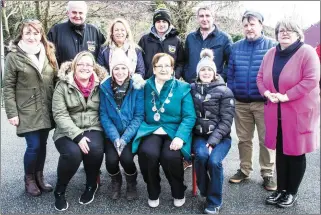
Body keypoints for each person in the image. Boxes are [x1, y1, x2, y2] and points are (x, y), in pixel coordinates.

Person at [257, 19, 320, 208]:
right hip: (276, 112)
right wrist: (266, 93)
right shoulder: (270, 53)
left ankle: (291, 192)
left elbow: (311, 79)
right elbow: (260, 77)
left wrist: (286, 96)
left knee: (296, 152)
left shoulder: (307, 52)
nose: (284, 33)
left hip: (298, 112)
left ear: (298, 33)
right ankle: (280, 189)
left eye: (289, 30)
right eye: (281, 30)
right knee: (282, 152)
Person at [132, 53, 196, 208]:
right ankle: (153, 190)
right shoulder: (144, 86)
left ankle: (178, 190)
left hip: (174, 130)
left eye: (167, 65)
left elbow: (189, 116)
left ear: (172, 69)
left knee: (170, 156)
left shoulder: (183, 87)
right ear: (153, 69)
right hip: (151, 129)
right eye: (159, 66)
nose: (163, 69)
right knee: (148, 153)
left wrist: (180, 137)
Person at [3, 19, 58, 197]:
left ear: (41, 34)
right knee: (33, 145)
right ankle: (29, 179)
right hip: (27, 109)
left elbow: (56, 79)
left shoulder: (48, 52)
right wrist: (12, 112)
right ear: (22, 34)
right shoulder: (13, 57)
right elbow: (8, 87)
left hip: (46, 107)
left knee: (42, 144)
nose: (32, 37)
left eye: (36, 33)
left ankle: (40, 177)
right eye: (28, 32)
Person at [227, 10, 276, 190]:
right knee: (244, 139)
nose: (249, 28)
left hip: (264, 103)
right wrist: (231, 95)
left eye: (252, 24)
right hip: (241, 102)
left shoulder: (272, 46)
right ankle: (244, 169)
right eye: (246, 25)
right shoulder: (236, 47)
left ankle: (268, 173)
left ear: (261, 25)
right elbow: (230, 74)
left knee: (266, 139)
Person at [52, 51, 107, 211]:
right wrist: (77, 136)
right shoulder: (62, 85)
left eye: (88, 64)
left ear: (93, 67)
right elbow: (59, 114)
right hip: (67, 130)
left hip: (93, 126)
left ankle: (91, 185)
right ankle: (60, 190)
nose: (85, 67)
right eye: (81, 64)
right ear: (74, 66)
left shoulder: (101, 85)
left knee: (95, 149)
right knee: (72, 154)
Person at [191, 49, 235, 214]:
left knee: (214, 161)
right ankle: (207, 191)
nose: (206, 72)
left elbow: (226, 122)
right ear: (198, 72)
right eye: (203, 69)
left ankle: (214, 201)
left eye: (209, 69)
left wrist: (212, 142)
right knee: (201, 156)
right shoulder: (191, 88)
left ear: (215, 72)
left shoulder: (225, 91)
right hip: (199, 136)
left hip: (221, 137)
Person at [99, 49, 145, 200]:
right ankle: (116, 181)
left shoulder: (137, 87)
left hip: (130, 134)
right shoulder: (104, 87)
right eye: (116, 68)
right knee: (111, 161)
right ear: (111, 70)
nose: (120, 72)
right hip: (111, 134)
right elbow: (104, 115)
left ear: (129, 70)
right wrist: (115, 138)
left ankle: (131, 183)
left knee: (126, 159)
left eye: (123, 68)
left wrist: (124, 139)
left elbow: (139, 116)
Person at [47, 1, 106, 67]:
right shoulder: (56, 31)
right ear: (67, 13)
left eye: (80, 13)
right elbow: (48, 56)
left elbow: (105, 55)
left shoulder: (95, 31)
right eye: (74, 12)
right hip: (63, 76)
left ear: (85, 13)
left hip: (89, 75)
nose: (77, 16)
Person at [184, 6, 233, 83]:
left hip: (214, 86)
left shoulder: (224, 38)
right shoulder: (190, 38)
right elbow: (185, 60)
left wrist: (221, 78)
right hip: (192, 85)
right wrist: (186, 75)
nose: (204, 19)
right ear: (197, 18)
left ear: (214, 18)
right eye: (201, 16)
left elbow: (231, 63)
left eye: (207, 15)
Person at [138, 7, 185, 80]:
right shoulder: (145, 39)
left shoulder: (176, 41)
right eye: (158, 21)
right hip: (148, 82)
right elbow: (139, 61)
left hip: (169, 82)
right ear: (154, 23)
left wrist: (175, 76)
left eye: (164, 21)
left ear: (169, 23)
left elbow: (181, 62)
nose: (161, 24)